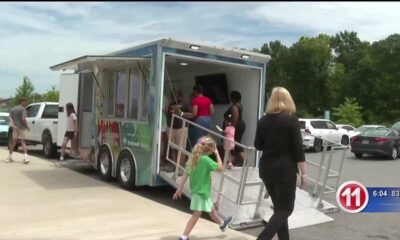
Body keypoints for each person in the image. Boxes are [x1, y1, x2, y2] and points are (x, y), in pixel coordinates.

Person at [254, 87, 307, 240]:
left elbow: (258, 145)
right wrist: (304, 174)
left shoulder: (263, 120)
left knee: (279, 209)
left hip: (266, 170)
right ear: (288, 100)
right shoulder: (291, 120)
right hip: (285, 171)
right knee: (286, 209)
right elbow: (298, 151)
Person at [173, 136, 233, 240]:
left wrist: (179, 188)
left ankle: (222, 224)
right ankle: (184, 236)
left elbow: (185, 174)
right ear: (210, 149)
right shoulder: (206, 160)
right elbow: (221, 168)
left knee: (211, 209)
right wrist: (217, 153)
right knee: (197, 214)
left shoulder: (193, 158)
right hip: (202, 192)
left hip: (197, 191)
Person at [182, 85, 214, 150]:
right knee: (207, 140)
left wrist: (183, 114)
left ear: (195, 91)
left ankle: (199, 157)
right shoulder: (208, 99)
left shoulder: (195, 100)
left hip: (200, 120)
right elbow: (212, 112)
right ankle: (206, 156)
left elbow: (194, 113)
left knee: (199, 140)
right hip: (208, 119)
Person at [167, 88, 189, 165]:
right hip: (171, 127)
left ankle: (180, 167)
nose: (174, 95)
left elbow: (191, 114)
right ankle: (174, 166)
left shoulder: (185, 103)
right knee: (173, 148)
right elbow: (168, 114)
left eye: (176, 93)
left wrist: (182, 113)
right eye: (173, 94)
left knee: (181, 149)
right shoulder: (171, 104)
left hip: (181, 128)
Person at [223, 90, 246, 165]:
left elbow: (235, 116)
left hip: (235, 127)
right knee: (236, 143)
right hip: (240, 125)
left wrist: (231, 127)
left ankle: (240, 161)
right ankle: (239, 161)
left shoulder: (234, 106)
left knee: (231, 144)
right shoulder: (239, 105)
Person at [7, 97, 30, 164]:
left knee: (13, 142)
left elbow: (10, 117)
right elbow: (23, 119)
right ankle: (26, 158)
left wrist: (13, 125)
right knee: (23, 142)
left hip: (15, 128)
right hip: (22, 128)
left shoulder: (13, 108)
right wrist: (27, 126)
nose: (27, 103)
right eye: (26, 101)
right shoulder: (23, 109)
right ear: (22, 101)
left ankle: (9, 157)